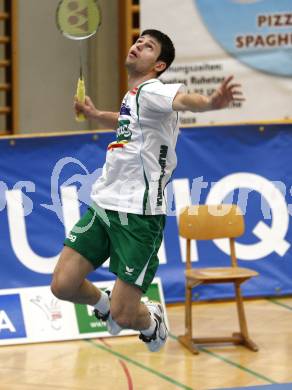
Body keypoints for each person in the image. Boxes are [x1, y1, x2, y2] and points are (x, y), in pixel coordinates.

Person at [51, 29, 244, 352]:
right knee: (63, 284)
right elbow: (128, 121)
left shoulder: (154, 91)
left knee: (126, 315)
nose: (138, 45)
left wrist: (211, 102)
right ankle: (104, 305)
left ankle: (151, 321)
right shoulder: (134, 96)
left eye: (148, 46)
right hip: (103, 205)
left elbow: (185, 101)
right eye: (138, 41)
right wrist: (97, 115)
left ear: (158, 65)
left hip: (139, 216)